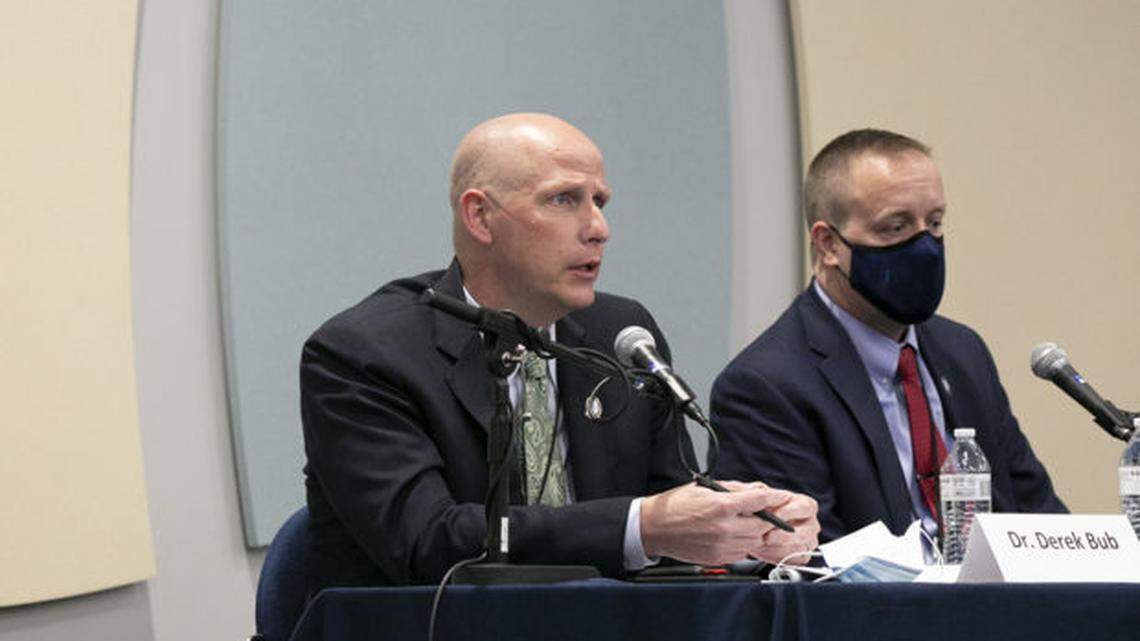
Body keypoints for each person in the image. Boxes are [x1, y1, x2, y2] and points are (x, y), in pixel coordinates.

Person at [300, 113, 819, 589]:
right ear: (480, 217)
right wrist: (645, 525)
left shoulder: (622, 332)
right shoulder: (364, 354)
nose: (598, 229)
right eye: (563, 200)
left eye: (600, 202)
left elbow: (671, 512)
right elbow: (427, 543)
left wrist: (746, 532)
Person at [711, 128, 1066, 544]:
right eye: (895, 228)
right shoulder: (766, 387)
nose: (926, 246)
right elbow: (810, 564)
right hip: (882, 608)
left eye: (934, 222)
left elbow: (1038, 518)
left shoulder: (962, 352)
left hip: (992, 605)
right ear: (828, 244)